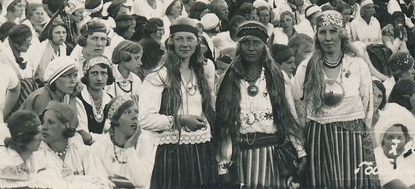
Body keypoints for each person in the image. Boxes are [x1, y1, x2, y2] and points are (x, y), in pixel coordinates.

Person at [291, 10, 377, 189]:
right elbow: (298, 109)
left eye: (333, 31)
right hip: (319, 137)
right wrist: (301, 148)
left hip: (352, 139)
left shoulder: (357, 64)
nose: (328, 37)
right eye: (322, 32)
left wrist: (364, 138)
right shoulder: (306, 67)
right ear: (317, 36)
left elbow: (368, 106)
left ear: (342, 34)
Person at [216, 20, 306, 188]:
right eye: (246, 43)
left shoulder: (277, 77)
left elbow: (289, 117)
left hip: (273, 156)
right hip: (241, 156)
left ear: (264, 46)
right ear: (239, 46)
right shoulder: (229, 79)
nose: (251, 48)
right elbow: (225, 126)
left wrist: (300, 152)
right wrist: (223, 165)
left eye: (256, 43)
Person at [139, 17, 216, 189]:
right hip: (171, 152)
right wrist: (178, 120)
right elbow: (144, 119)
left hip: (201, 150)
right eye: (179, 39)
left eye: (190, 39)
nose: (184, 44)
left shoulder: (201, 73)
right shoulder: (159, 76)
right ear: (171, 42)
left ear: (197, 42)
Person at [0, 109, 56, 188]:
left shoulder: (40, 157)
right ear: (24, 136)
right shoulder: (1, 159)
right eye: (36, 133)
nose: (42, 138)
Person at [38, 101, 111, 185]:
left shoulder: (81, 151)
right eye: (43, 122)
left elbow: (101, 181)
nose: (44, 127)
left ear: (66, 126)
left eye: (51, 122)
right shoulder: (37, 154)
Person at [90, 95, 152, 188]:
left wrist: (129, 148)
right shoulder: (100, 147)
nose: (134, 117)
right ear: (115, 119)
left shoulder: (146, 143)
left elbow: (142, 182)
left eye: (136, 112)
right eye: (127, 112)